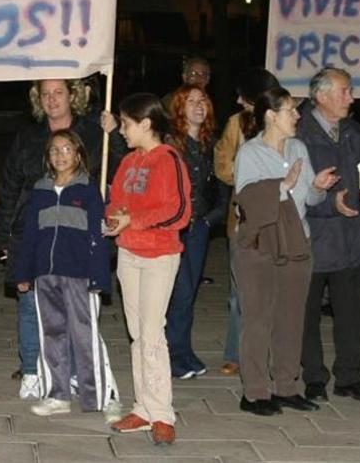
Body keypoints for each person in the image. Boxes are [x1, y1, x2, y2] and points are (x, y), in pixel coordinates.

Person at [0, 78, 112, 400]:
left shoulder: (95, 133)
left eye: (59, 92)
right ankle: (31, 369)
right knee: (30, 305)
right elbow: (10, 184)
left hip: (75, 233)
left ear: (73, 96)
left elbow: (113, 171)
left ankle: (70, 371)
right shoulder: (28, 137)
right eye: (45, 94)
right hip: (32, 232)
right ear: (37, 99)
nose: (52, 99)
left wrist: (116, 134)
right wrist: (2, 236)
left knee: (74, 307)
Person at [232, 87, 336, 415]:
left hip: (296, 243)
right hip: (259, 246)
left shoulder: (299, 148)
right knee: (258, 318)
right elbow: (245, 201)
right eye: (290, 110)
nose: (297, 116)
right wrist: (281, 186)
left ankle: (287, 386)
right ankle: (254, 392)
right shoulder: (249, 153)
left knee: (291, 319)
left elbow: (308, 202)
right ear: (270, 115)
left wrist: (317, 188)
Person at [104, 93, 191, 447]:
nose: (121, 130)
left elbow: (178, 212)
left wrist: (133, 220)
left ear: (145, 123)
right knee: (138, 334)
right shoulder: (128, 161)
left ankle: (162, 414)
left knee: (153, 334)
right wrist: (113, 219)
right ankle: (142, 407)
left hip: (158, 256)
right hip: (129, 254)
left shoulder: (168, 160)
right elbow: (117, 199)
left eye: (126, 124)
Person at [13, 130, 117, 416]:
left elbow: (97, 237)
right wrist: (23, 272)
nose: (60, 155)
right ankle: (57, 394)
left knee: (84, 336)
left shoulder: (87, 190)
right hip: (46, 276)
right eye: (54, 151)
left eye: (67, 149)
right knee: (52, 333)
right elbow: (31, 235)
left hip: (79, 275)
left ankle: (97, 396)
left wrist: (99, 277)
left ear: (79, 154)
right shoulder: (41, 190)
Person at [297, 67, 360, 403]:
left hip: (352, 240)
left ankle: (350, 376)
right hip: (313, 238)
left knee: (351, 315)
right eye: (345, 91)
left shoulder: (354, 131)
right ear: (321, 95)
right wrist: (329, 203)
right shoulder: (298, 132)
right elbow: (292, 189)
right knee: (306, 314)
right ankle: (314, 377)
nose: (352, 97)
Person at [213, 68, 281, 376]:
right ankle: (235, 353)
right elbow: (221, 161)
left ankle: (273, 352)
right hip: (243, 216)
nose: (239, 100)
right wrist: (247, 176)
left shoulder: (286, 121)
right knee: (239, 292)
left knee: (277, 290)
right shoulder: (235, 124)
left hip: (281, 217)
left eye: (244, 95)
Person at [164, 86, 227, 380]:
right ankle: (173, 355)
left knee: (188, 295)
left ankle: (183, 350)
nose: (199, 106)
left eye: (203, 100)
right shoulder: (170, 145)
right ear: (179, 108)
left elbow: (221, 189)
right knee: (180, 291)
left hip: (198, 228)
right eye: (191, 101)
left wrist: (208, 220)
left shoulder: (210, 144)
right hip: (174, 229)